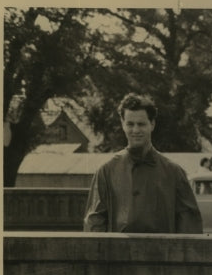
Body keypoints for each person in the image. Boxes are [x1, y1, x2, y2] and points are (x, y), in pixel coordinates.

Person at [83, 93, 203, 233]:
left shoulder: (174, 173)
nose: (135, 130)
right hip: (118, 253)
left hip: (162, 253)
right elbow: (94, 222)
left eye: (141, 124)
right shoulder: (106, 171)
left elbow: (189, 226)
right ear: (122, 124)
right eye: (130, 124)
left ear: (152, 124)